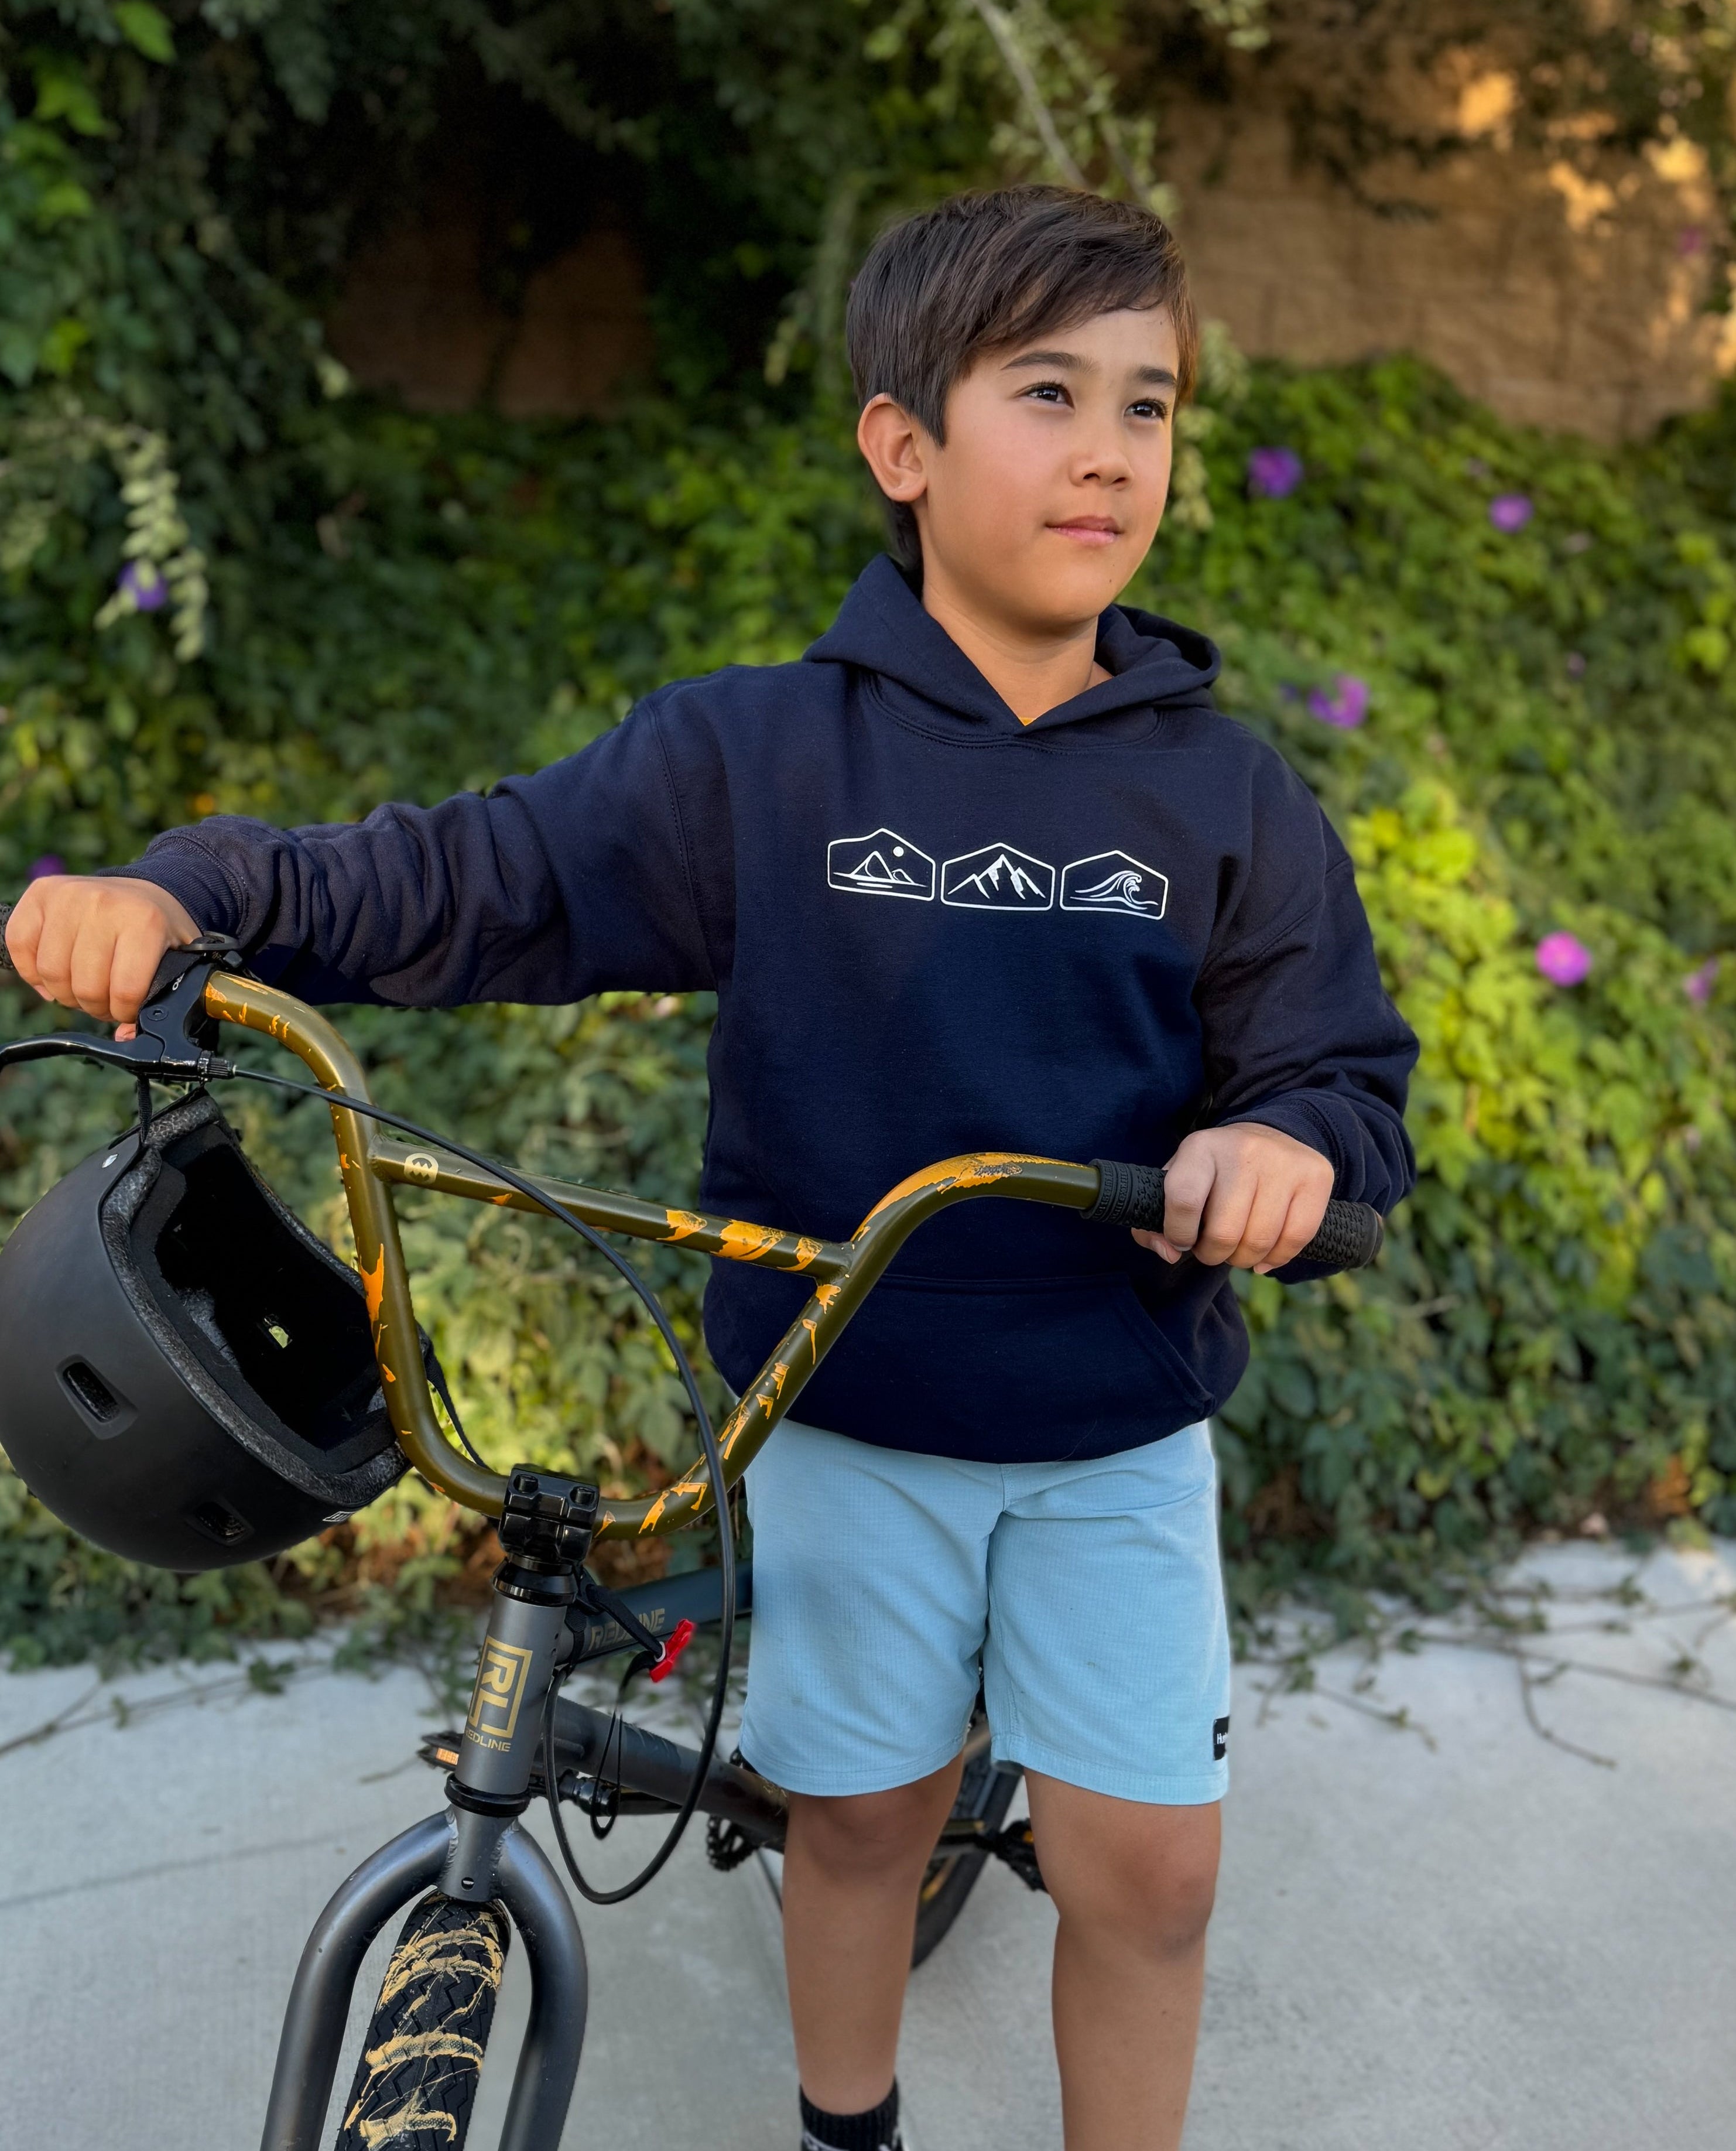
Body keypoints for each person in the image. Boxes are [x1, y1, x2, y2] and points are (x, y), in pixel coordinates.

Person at [5, 185, 1416, 2151]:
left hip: (1113, 1431)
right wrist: (194, 888)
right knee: (847, 1821)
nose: (1112, 447)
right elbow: (465, 880)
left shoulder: (1225, 795)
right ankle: (851, 2126)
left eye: (1152, 404)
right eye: (1048, 391)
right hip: (832, 1408)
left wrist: (1282, 1143)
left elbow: (1342, 1078)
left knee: (1152, 1877)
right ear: (902, 445)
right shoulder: (762, 763)